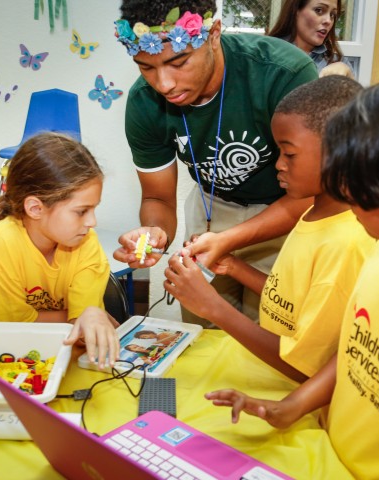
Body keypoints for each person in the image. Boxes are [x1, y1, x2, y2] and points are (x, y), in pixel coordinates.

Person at [204, 76, 379, 479]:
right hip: (332, 446)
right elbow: (352, 345)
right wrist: (292, 406)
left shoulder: (359, 240)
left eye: (356, 179)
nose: (343, 190)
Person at [112, 0, 319, 326]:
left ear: (213, 35)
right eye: (146, 67)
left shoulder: (283, 75)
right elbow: (157, 198)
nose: (163, 84)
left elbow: (309, 195)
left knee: (274, 332)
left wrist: (229, 240)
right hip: (211, 211)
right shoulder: (144, 103)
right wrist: (154, 233)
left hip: (287, 214)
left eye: (178, 62)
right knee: (202, 330)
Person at [164, 76, 374, 382]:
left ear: (342, 152)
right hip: (267, 374)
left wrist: (214, 309)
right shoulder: (313, 215)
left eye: (289, 154)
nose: (278, 164)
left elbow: (305, 368)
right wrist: (233, 266)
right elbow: (289, 301)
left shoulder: (345, 244)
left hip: (289, 389)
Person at [0, 132, 119, 367]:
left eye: (94, 209)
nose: (92, 222)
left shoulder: (86, 240)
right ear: (35, 208)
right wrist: (82, 318)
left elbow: (83, 331)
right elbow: (8, 329)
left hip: (69, 361)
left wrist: (83, 320)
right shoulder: (0, 241)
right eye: (81, 211)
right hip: (14, 361)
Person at [268, 0, 354, 78]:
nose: (328, 21)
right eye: (319, 10)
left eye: (332, 15)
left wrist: (349, 77)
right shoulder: (267, 55)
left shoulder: (338, 63)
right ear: (296, 10)